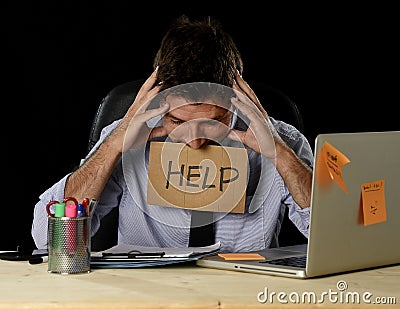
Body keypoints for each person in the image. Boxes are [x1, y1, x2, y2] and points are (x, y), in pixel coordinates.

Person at [31, 15, 313, 252]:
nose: (195, 140)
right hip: (149, 294)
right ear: (157, 101)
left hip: (245, 295)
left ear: (237, 99)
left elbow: (332, 237)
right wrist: (113, 147)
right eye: (177, 121)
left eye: (214, 121)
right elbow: (48, 240)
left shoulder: (282, 142)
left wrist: (280, 153)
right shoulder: (125, 139)